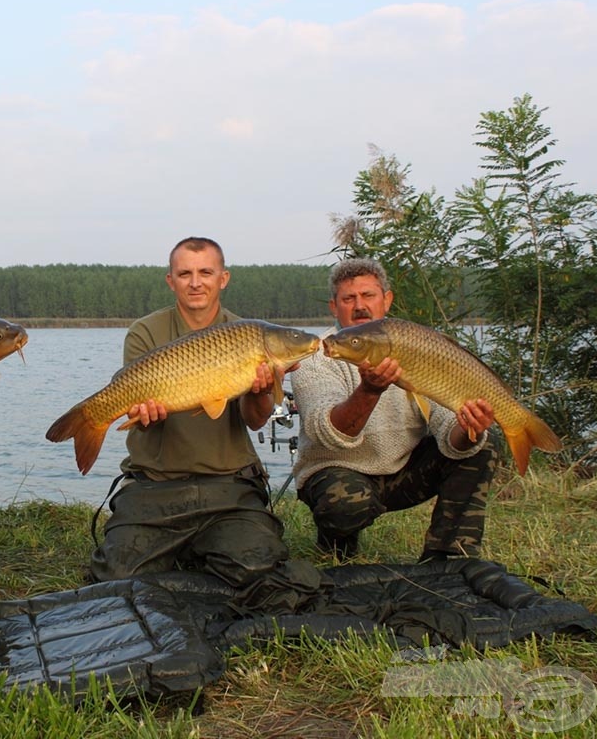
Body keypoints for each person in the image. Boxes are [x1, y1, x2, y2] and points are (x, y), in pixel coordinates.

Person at [90, 237, 291, 588]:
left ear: (223, 278)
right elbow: (141, 413)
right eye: (185, 273)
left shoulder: (249, 335)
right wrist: (144, 413)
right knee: (118, 577)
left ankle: (203, 544)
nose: (195, 282)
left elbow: (255, 420)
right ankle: (187, 546)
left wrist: (261, 391)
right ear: (171, 280)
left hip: (229, 482)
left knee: (261, 570)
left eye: (205, 272)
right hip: (156, 483)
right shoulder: (145, 332)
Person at [291, 257, 498, 561]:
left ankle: (450, 557)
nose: (359, 305)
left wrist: (469, 429)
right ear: (334, 307)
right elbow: (326, 432)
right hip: (339, 471)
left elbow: (444, 425)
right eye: (349, 298)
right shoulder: (318, 355)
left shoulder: (416, 345)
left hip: (403, 471)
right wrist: (369, 391)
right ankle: (335, 546)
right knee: (345, 500)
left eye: (368, 296)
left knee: (482, 444)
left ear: (386, 300)